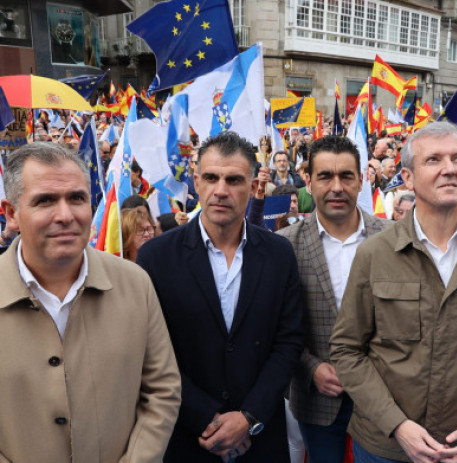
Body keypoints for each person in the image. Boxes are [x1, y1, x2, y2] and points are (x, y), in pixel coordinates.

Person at [330, 121, 457, 463]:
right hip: (387, 449)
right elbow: (347, 350)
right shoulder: (375, 253)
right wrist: (396, 425)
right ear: (407, 178)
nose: (449, 170)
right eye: (434, 160)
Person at [0, 142, 181, 461]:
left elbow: (162, 390)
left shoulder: (135, 284)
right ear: (11, 213)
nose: (65, 215)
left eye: (77, 198)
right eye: (45, 201)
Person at [137, 132, 304, 462]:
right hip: (188, 439)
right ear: (197, 181)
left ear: (254, 185)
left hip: (260, 440)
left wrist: (249, 418)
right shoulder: (156, 257)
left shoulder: (279, 253)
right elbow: (149, 353)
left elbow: (289, 342)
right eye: (211, 178)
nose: (221, 190)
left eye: (234, 179)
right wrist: (206, 420)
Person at [278, 136, 391, 462]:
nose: (337, 186)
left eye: (346, 176)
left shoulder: (394, 239)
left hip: (385, 398)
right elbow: (278, 326)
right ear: (309, 182)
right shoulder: (284, 246)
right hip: (317, 401)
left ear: (361, 181)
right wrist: (311, 368)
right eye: (326, 176)